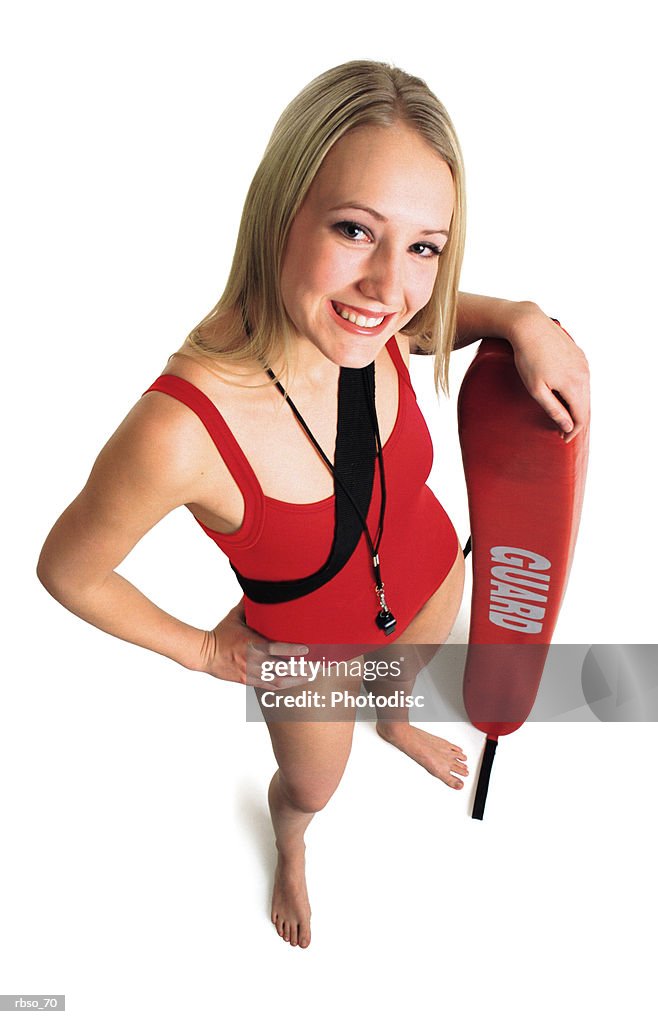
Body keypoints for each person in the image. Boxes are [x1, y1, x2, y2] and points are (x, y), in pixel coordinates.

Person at [37, 60, 589, 949]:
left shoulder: (367, 320)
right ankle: (290, 845)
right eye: (353, 229)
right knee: (311, 789)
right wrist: (205, 649)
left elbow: (418, 317)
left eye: (424, 246)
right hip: (309, 659)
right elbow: (66, 569)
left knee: (400, 678)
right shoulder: (183, 430)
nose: (387, 284)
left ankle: (394, 719)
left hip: (430, 579)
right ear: (280, 208)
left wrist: (519, 318)